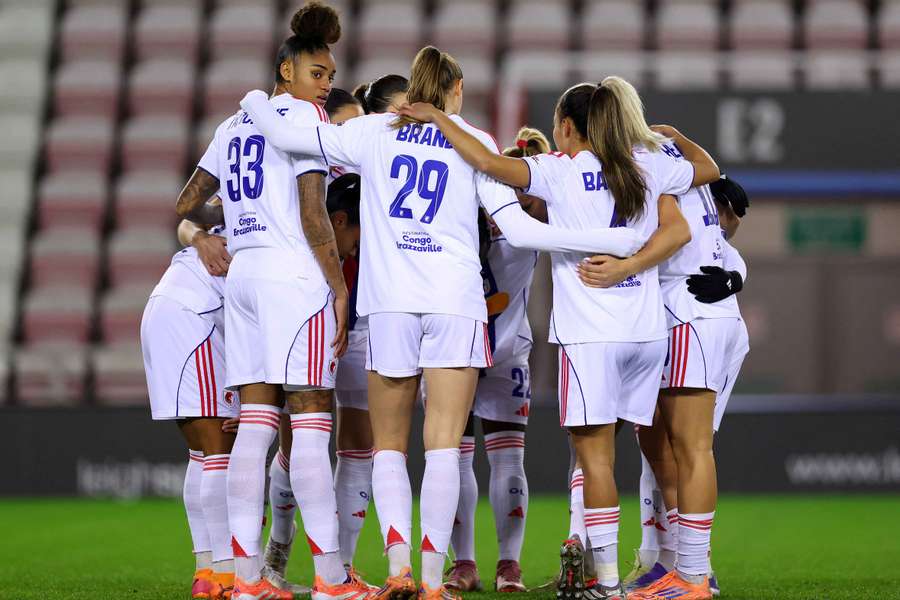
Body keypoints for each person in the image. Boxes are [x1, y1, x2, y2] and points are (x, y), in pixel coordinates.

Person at [239, 46, 647, 600]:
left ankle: (400, 567)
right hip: (455, 303)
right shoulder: (470, 140)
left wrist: (257, 101)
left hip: (390, 304)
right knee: (442, 447)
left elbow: (290, 138)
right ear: (455, 89)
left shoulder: (374, 131)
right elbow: (522, 233)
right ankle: (434, 581)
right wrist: (615, 242)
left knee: (386, 447)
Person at [397, 75, 720, 600]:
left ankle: (608, 584)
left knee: (595, 459)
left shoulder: (558, 171)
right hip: (646, 333)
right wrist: (673, 139)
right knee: (659, 450)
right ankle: (691, 571)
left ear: (567, 127)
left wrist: (439, 119)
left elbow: (490, 164)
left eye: (556, 126)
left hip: (591, 334)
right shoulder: (644, 164)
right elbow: (705, 173)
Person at [175, 4, 371, 600]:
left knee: (257, 425)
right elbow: (315, 215)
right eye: (317, 72)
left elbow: (188, 200)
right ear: (285, 71)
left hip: (243, 278)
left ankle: (246, 579)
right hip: (293, 280)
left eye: (330, 74)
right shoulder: (306, 122)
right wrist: (338, 287)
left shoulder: (232, 126)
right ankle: (333, 580)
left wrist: (233, 219)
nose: (327, 83)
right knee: (311, 423)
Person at [598, 176, 750, 600]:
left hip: (689, 316)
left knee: (690, 447)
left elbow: (691, 240)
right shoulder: (682, 167)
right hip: (686, 315)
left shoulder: (649, 168)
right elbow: (726, 246)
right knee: (657, 443)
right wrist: (735, 277)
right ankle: (675, 561)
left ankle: (695, 573)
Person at [445, 128, 550, 594]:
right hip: (499, 349)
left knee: (458, 458)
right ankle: (504, 567)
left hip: (461, 347)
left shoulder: (459, 222)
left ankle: (467, 565)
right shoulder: (533, 231)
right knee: (500, 460)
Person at [140, 208, 238, 600]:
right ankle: (228, 575)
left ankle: (207, 573)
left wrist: (197, 236)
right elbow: (187, 216)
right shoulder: (273, 217)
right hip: (195, 315)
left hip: (169, 306)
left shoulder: (244, 199)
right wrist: (199, 237)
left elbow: (188, 218)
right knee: (219, 450)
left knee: (201, 453)